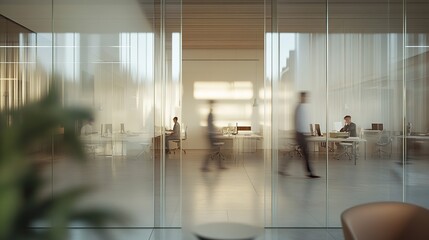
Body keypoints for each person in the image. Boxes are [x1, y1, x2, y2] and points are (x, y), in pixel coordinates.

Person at [292, 92, 320, 178]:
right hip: (300, 134)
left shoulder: (301, 107)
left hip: (301, 134)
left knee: (303, 153)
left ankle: (282, 169)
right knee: (306, 153)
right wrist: (301, 133)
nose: (306, 98)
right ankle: (310, 172)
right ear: (301, 97)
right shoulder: (299, 107)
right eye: (305, 97)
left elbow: (303, 121)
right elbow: (298, 122)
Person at [201, 100, 226, 171]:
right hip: (211, 135)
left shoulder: (210, 114)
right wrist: (216, 132)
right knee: (212, 150)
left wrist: (216, 131)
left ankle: (219, 166)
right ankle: (205, 166)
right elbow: (211, 125)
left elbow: (211, 125)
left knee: (216, 149)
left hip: (212, 134)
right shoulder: (210, 115)